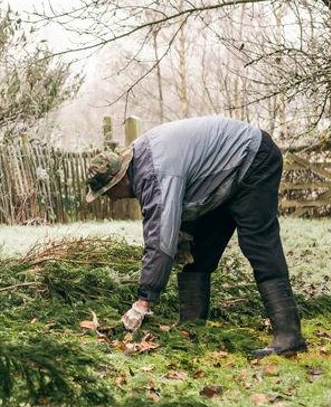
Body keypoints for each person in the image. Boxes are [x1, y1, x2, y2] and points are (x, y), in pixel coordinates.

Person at [85, 116, 307, 357]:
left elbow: (160, 240)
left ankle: (289, 336)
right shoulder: (141, 162)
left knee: (258, 244)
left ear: (119, 181)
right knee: (197, 253)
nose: (111, 199)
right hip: (221, 178)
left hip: (253, 158)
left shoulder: (153, 173)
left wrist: (144, 301)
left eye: (108, 193)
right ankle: (192, 329)